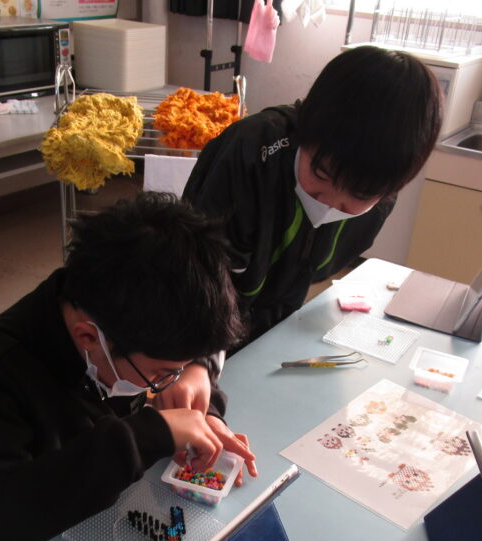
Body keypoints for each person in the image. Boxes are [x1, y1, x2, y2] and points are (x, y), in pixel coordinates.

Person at [0, 192, 256, 541]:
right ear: (90, 338)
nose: (167, 381)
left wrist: (199, 386)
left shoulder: (124, 319)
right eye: (162, 374)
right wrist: (149, 435)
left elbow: (170, 361)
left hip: (102, 531)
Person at [182, 45, 443, 346]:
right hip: (202, 313)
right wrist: (202, 355)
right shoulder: (250, 154)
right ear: (304, 128)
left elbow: (304, 273)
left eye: (360, 194)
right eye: (321, 175)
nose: (329, 201)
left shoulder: (381, 190)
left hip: (273, 314)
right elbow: (197, 277)